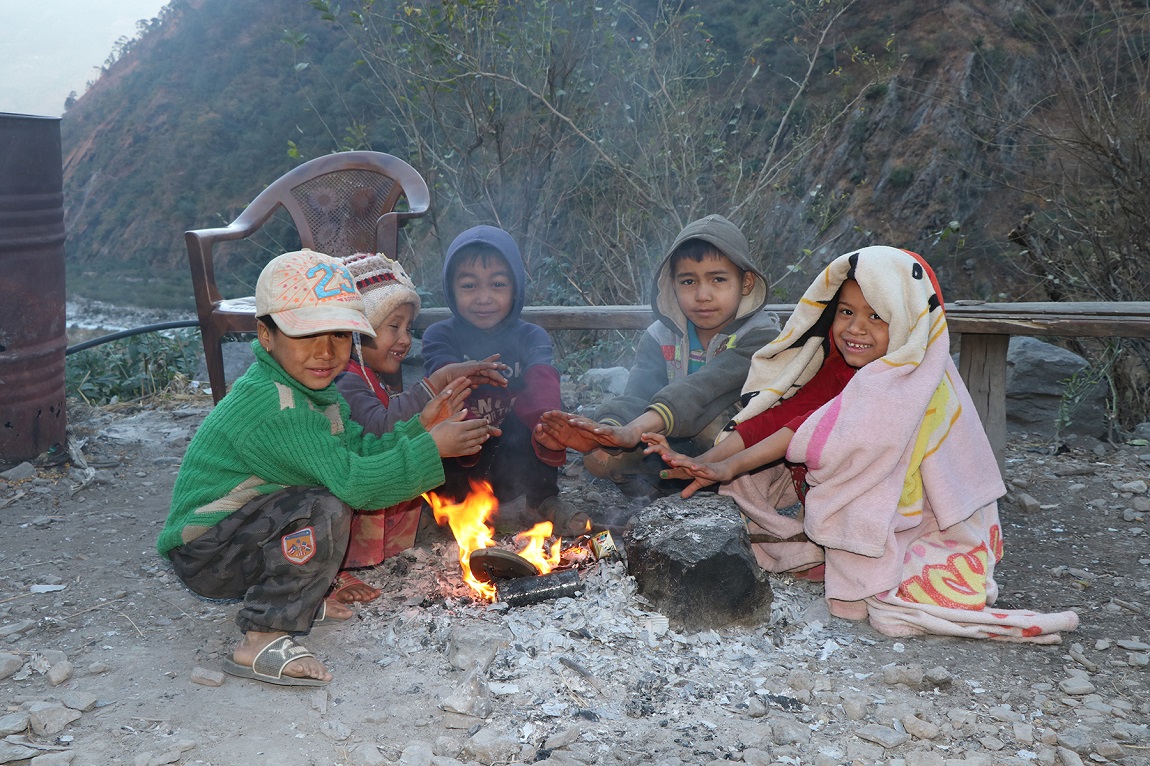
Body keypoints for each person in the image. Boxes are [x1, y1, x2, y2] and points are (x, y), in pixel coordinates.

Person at [647, 245, 1079, 642]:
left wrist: (730, 468)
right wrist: (708, 460)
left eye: (877, 316)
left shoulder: (908, 378)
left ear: (908, 319)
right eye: (846, 312)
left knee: (922, 580)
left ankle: (874, 558)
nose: (856, 329)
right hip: (877, 504)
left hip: (924, 515)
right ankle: (826, 550)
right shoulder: (837, 367)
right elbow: (778, 417)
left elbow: (807, 434)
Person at [158, 249, 496, 687]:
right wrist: (431, 449)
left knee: (322, 500)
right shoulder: (277, 405)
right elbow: (355, 482)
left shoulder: (316, 393)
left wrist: (419, 427)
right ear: (266, 335)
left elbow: (359, 448)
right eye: (307, 335)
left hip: (240, 530)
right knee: (325, 506)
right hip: (205, 549)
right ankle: (261, 636)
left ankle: (300, 599)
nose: (325, 352)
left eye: (339, 335)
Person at [536, 214, 778, 513]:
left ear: (746, 282)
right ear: (672, 285)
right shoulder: (659, 336)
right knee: (599, 458)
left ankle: (724, 502)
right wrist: (607, 431)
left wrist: (634, 430)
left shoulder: (761, 337)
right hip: (671, 445)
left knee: (712, 426)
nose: (702, 295)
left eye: (718, 279)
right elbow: (637, 394)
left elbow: (703, 389)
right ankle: (657, 496)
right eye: (688, 281)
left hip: (733, 452)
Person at [332, 252, 509, 602]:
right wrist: (433, 388)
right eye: (392, 326)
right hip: (347, 490)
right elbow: (381, 431)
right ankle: (337, 568)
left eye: (408, 329)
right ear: (356, 329)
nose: (404, 339)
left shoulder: (370, 377)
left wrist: (445, 386)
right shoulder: (344, 381)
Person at [421, 225, 588, 534]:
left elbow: (542, 382)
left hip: (514, 463)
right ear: (451, 290)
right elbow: (442, 384)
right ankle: (450, 511)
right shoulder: (439, 335)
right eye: (469, 286)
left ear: (515, 289)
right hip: (461, 456)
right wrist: (468, 434)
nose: (484, 298)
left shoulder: (530, 335)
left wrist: (548, 427)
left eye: (497, 284)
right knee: (438, 420)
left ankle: (543, 500)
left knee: (544, 412)